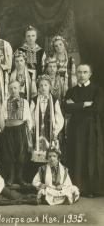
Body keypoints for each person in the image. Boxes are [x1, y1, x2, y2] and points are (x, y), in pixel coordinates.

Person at [64, 64, 104, 197]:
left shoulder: (97, 90)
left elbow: (96, 109)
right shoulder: (71, 90)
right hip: (75, 128)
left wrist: (75, 105)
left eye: (85, 72)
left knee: (89, 156)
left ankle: (90, 189)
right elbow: (65, 108)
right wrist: (84, 104)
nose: (81, 75)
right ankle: (77, 187)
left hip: (90, 128)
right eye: (79, 72)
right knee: (75, 155)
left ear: (90, 74)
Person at [1, 81, 33, 187]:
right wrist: (2, 129)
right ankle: (11, 177)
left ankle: (19, 177)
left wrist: (29, 128)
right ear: (8, 90)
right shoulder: (5, 102)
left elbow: (28, 117)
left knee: (21, 153)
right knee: (9, 153)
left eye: (15, 88)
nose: (13, 90)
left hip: (20, 129)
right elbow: (2, 118)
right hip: (9, 129)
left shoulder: (25, 102)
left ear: (19, 89)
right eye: (11, 88)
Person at [30, 75, 64, 164]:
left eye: (45, 85)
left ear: (50, 86)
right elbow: (30, 116)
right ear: (38, 88)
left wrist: (56, 130)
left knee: (50, 152)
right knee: (38, 153)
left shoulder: (54, 100)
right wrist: (31, 127)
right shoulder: (34, 100)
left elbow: (59, 117)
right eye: (41, 85)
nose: (43, 87)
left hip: (50, 131)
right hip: (38, 132)